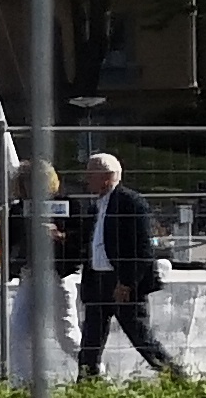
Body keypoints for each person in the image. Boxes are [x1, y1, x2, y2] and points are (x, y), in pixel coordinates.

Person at [75, 148, 177, 379]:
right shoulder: (96, 207)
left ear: (107, 176)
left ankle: (176, 377)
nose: (86, 180)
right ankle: (85, 387)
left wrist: (127, 282)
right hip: (98, 283)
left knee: (142, 338)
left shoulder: (131, 203)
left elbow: (141, 248)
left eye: (91, 175)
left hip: (121, 282)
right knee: (90, 344)